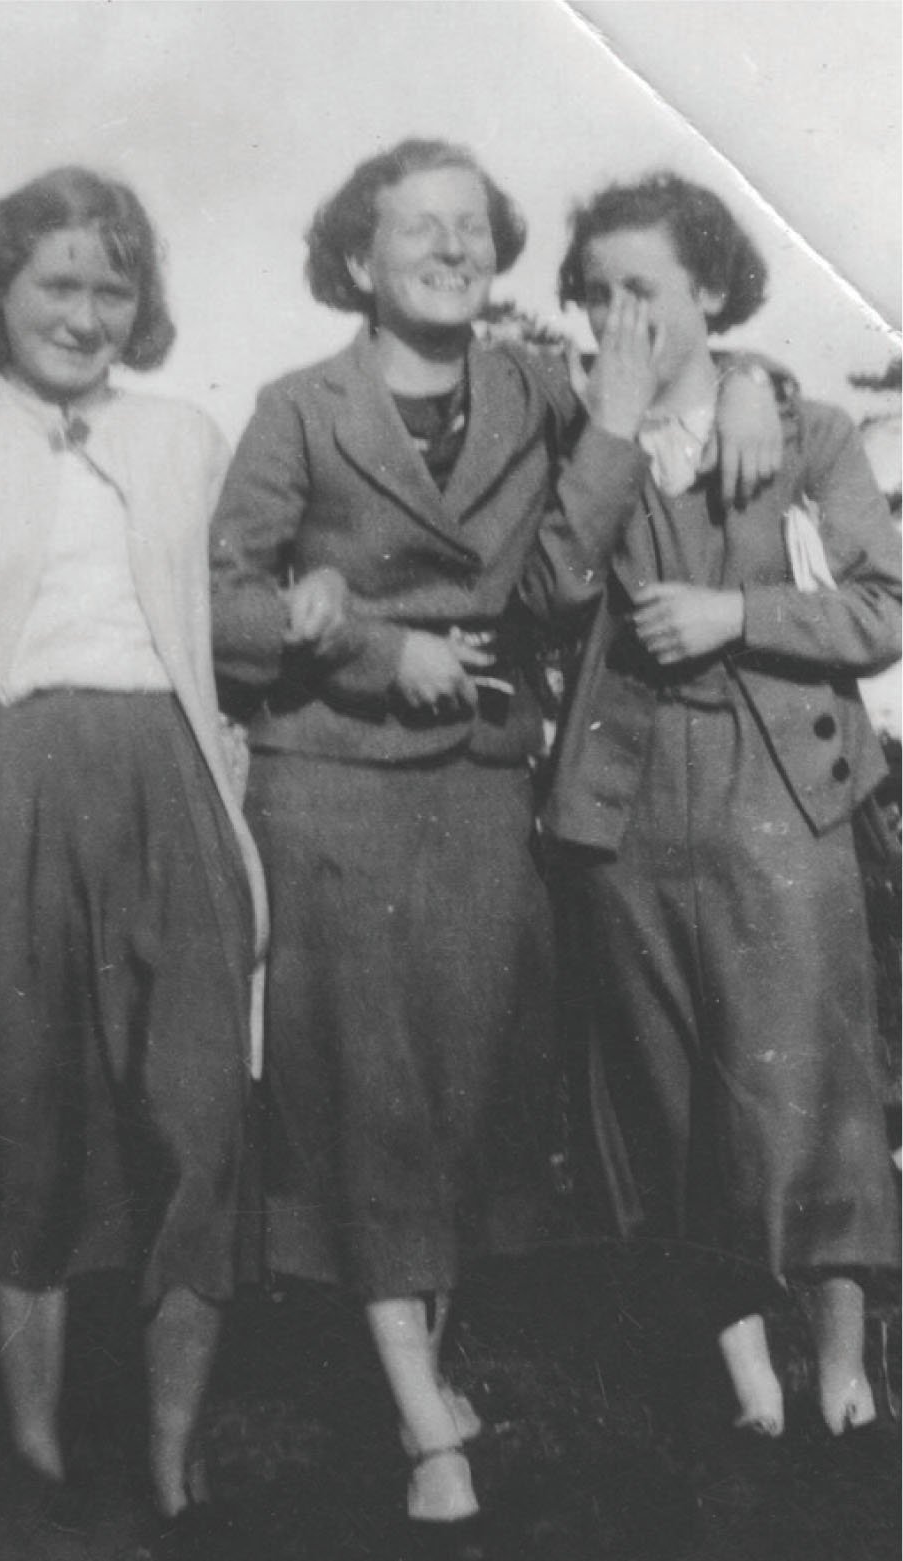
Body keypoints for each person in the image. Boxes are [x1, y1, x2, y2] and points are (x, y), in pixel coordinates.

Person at [209, 138, 784, 1549]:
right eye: (420, 229)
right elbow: (225, 605)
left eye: (474, 227)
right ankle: (420, 1418)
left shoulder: (537, 386)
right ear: (359, 258)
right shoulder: (298, 408)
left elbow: (563, 571)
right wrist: (359, 640)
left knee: (459, 1101)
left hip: (478, 790)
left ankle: (424, 1368)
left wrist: (739, 383)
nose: (453, 250)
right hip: (333, 783)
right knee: (366, 1098)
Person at [0, 167, 270, 1548]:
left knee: (198, 1123)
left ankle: (171, 1460)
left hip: (170, 786)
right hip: (7, 799)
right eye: (59, 282)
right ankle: (37, 1464)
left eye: (114, 287)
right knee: (26, 1130)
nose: (87, 312)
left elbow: (246, 606)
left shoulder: (180, 436)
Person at [524, 172, 901, 1441]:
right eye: (597, 290)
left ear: (709, 294)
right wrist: (614, 431)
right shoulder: (573, 427)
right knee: (662, 1094)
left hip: (779, 790)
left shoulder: (807, 435)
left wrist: (737, 614)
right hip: (623, 809)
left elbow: (882, 607)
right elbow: (548, 591)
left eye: (646, 288)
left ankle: (843, 1372)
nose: (616, 313)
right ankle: (748, 1382)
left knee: (812, 1090)